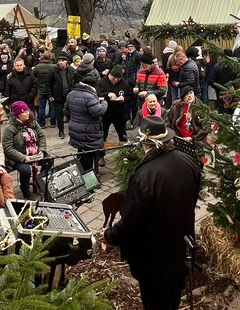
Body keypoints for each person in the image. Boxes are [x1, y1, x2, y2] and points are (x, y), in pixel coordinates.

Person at [104, 115, 200, 310]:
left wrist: (110, 235)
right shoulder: (188, 161)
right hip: (180, 246)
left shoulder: (145, 175)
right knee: (171, 298)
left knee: (154, 301)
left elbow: (131, 220)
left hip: (153, 257)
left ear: (145, 144)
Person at [2, 101, 47, 199]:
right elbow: (8, 148)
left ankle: (40, 182)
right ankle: (25, 189)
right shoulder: (10, 128)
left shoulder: (32, 122)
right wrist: (24, 158)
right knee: (25, 170)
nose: (27, 113)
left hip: (35, 152)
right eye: (24, 112)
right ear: (17, 115)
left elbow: (42, 136)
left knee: (49, 160)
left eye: (27, 110)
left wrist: (42, 151)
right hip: (19, 157)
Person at [65, 71, 108, 172]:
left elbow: (66, 110)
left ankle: (79, 171)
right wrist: (104, 102)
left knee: (81, 151)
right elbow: (98, 111)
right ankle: (87, 176)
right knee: (88, 155)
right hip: (88, 132)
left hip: (75, 129)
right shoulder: (90, 96)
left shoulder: (71, 93)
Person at [96, 65, 133, 167]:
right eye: (113, 78)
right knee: (102, 135)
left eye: (118, 78)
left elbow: (130, 95)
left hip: (119, 113)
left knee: (123, 135)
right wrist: (107, 94)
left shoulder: (123, 83)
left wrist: (123, 99)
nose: (115, 80)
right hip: (105, 113)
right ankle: (100, 156)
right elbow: (97, 93)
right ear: (110, 75)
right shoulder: (102, 82)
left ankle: (125, 154)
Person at [49, 53, 76, 138]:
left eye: (62, 61)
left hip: (69, 95)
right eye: (59, 61)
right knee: (59, 114)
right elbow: (48, 83)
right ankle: (61, 131)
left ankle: (73, 131)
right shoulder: (54, 70)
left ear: (66, 62)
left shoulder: (71, 70)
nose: (60, 62)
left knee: (71, 113)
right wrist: (50, 94)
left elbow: (75, 81)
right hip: (58, 95)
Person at [133, 52, 168, 117]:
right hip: (142, 102)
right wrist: (136, 87)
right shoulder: (140, 72)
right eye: (142, 64)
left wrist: (147, 93)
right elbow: (137, 83)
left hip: (155, 103)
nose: (143, 67)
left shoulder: (160, 73)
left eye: (145, 65)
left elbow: (162, 91)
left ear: (151, 64)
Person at [33, 51, 58, 128]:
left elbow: (33, 76)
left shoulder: (38, 67)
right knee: (53, 107)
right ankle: (53, 123)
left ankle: (42, 124)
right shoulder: (54, 67)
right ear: (51, 57)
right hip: (51, 90)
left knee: (41, 107)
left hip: (41, 89)